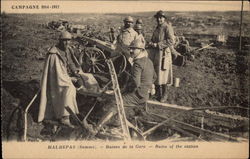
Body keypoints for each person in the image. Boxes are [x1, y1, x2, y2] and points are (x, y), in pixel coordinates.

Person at [86, 39, 156, 135]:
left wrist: (124, 90)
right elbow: (154, 77)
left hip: (137, 95)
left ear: (141, 50)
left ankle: (95, 128)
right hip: (144, 94)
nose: (131, 51)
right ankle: (115, 122)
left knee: (116, 103)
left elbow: (136, 83)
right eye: (130, 49)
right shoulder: (149, 62)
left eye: (134, 49)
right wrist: (149, 87)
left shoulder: (137, 63)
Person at [38, 31, 81, 128]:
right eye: (64, 41)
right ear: (60, 41)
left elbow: (70, 63)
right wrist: (71, 79)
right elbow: (57, 74)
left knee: (88, 82)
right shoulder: (54, 54)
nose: (67, 43)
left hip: (66, 76)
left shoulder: (68, 50)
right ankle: (65, 117)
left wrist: (76, 73)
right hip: (57, 81)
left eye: (68, 40)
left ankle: (81, 112)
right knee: (69, 89)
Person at [148, 10, 177, 102]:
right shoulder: (157, 28)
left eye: (161, 18)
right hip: (156, 54)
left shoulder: (167, 27)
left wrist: (158, 44)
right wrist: (151, 43)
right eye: (158, 18)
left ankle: (164, 94)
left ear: (164, 18)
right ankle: (157, 93)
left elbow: (171, 41)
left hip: (164, 54)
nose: (159, 19)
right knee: (156, 73)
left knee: (164, 74)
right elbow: (154, 39)